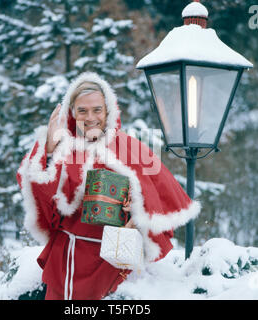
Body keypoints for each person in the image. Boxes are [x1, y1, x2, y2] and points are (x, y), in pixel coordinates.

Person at [16, 72, 201, 300]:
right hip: (67, 261)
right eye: (82, 110)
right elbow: (39, 194)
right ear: (72, 112)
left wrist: (137, 212)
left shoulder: (130, 147)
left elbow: (158, 197)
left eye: (97, 110)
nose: (90, 117)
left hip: (113, 261)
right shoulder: (61, 146)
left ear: (108, 110)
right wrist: (50, 148)